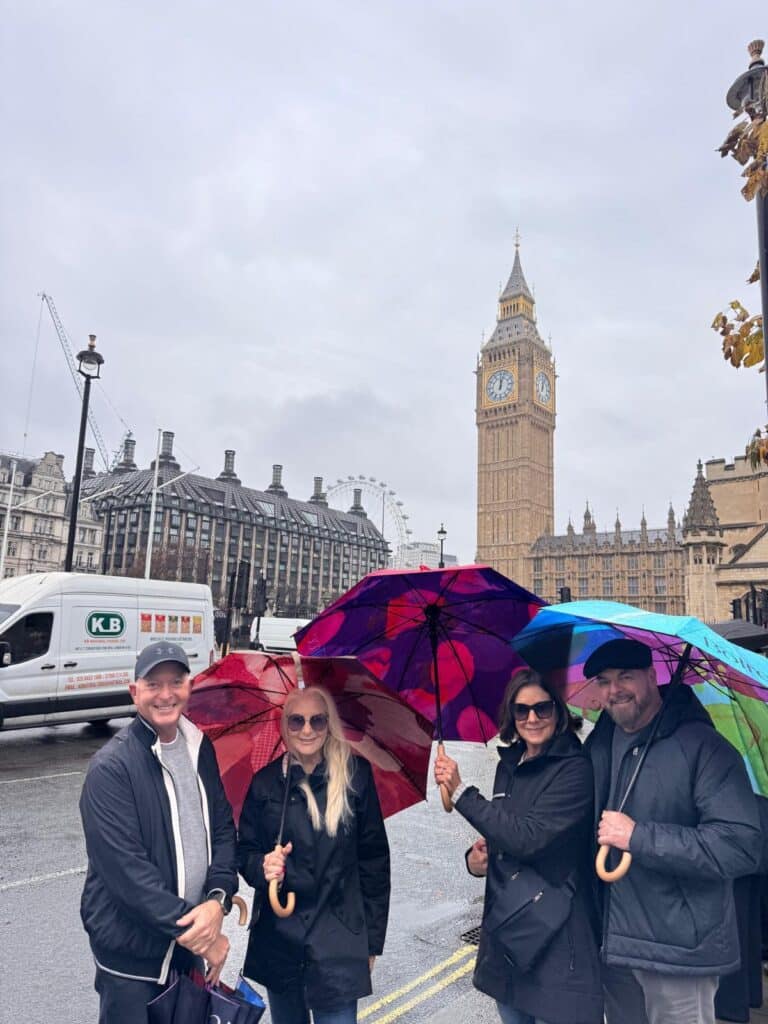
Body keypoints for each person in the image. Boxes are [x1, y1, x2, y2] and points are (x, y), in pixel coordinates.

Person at [583, 637, 762, 1024]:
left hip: (679, 952)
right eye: (605, 680)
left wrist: (638, 837)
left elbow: (741, 845)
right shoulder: (603, 740)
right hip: (614, 944)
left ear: (652, 676)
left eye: (626, 677)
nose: (614, 690)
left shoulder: (705, 748)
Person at [79, 640, 238, 1024]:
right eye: (153, 684)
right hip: (132, 958)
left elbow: (221, 831)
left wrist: (218, 901)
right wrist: (206, 935)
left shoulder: (201, 748)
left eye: (176, 682)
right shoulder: (111, 769)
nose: (166, 695)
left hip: (185, 950)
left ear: (189, 686)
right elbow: (129, 877)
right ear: (135, 691)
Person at [434, 668, 604, 1024]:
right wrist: (478, 858)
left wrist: (463, 793)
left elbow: (529, 838)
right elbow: (504, 833)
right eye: (521, 710)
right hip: (510, 939)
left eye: (542, 708)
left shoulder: (574, 770)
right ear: (510, 716)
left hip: (557, 942)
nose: (531, 718)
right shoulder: (508, 767)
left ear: (558, 711)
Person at [237, 685, 391, 1024]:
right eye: (297, 721)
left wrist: (371, 942)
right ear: (284, 726)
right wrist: (263, 866)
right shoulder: (266, 783)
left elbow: (374, 863)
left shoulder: (355, 777)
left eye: (317, 721)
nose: (307, 730)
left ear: (329, 725)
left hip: (339, 942)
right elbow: (244, 851)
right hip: (280, 943)